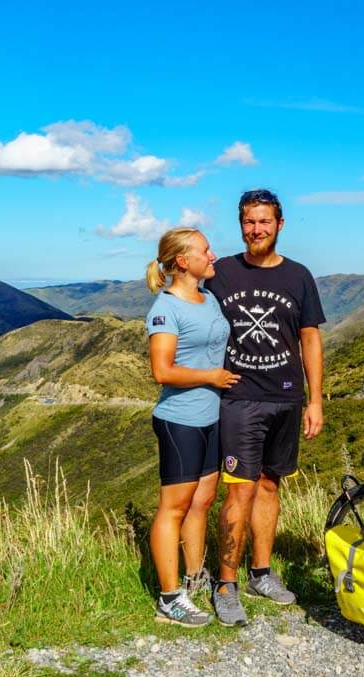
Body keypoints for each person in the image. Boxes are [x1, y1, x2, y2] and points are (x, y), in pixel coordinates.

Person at [204, 189, 325, 626]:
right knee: (240, 488)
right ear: (240, 224)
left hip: (287, 398)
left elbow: (309, 338)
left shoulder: (298, 277)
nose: (256, 230)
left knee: (270, 486)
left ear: (280, 224)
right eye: (249, 222)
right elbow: (185, 301)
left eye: (264, 222)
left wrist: (315, 400)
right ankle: (225, 584)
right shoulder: (221, 273)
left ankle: (261, 572)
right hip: (239, 399)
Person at [145, 227, 240, 627]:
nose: (212, 255)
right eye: (205, 251)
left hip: (211, 417)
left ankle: (194, 577)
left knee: (202, 501)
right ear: (183, 261)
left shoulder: (210, 298)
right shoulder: (166, 310)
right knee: (174, 507)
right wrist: (211, 378)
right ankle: (170, 598)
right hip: (180, 420)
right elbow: (161, 370)